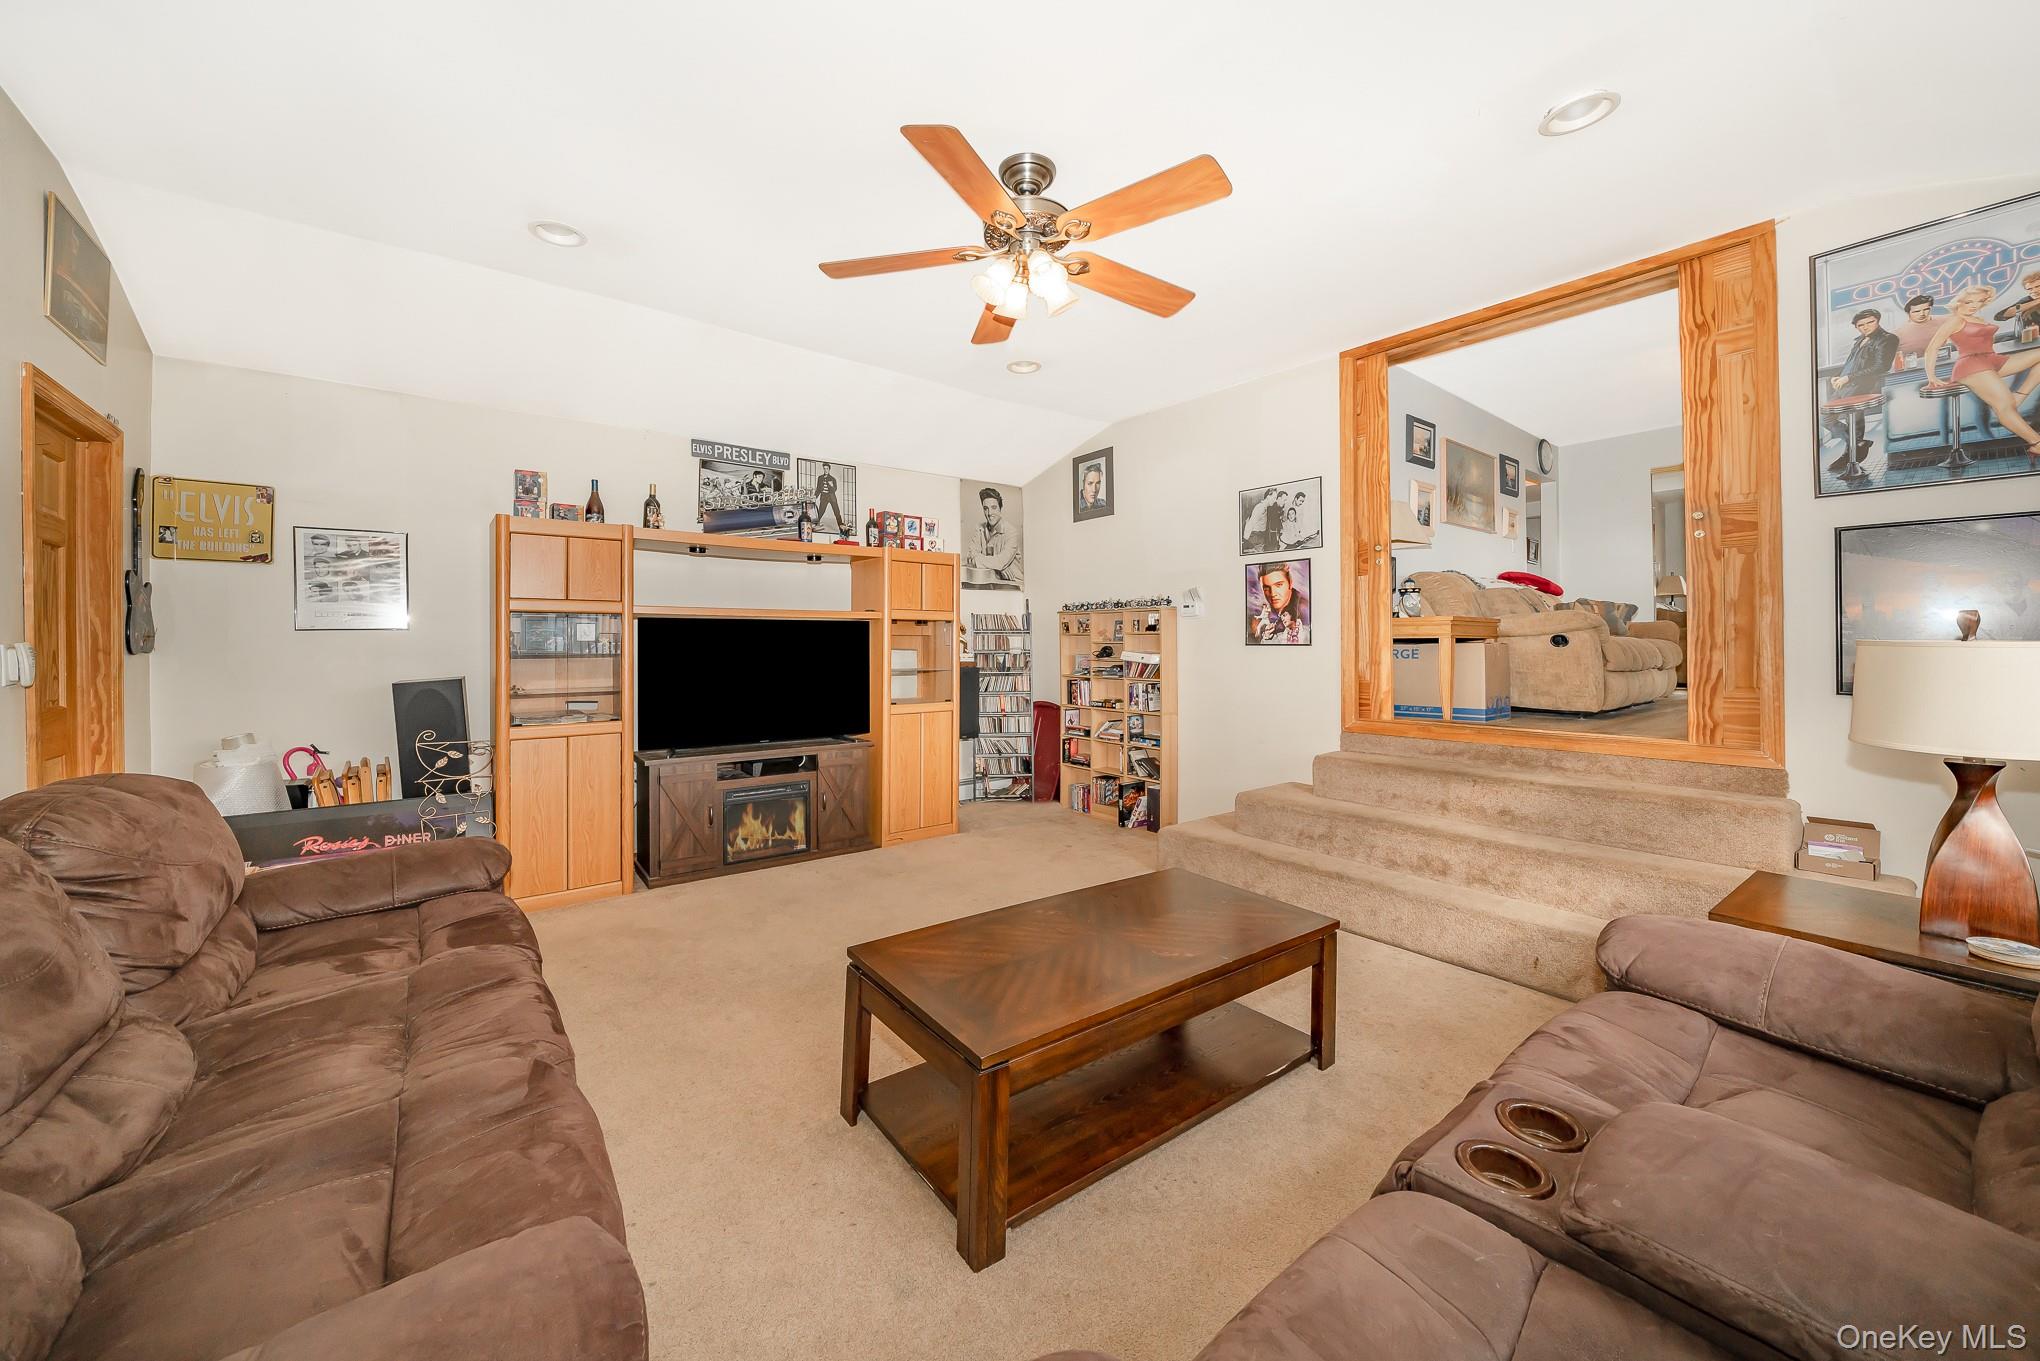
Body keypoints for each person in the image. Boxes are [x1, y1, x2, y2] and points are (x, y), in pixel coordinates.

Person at [1924, 284, 2040, 460]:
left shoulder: (1976, 318)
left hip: (1992, 359)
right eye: (1969, 301)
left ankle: (2018, 397)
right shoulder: (1955, 320)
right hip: (1971, 365)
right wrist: (1931, 376)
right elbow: (1932, 348)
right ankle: (2036, 444)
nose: (1974, 305)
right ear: (1959, 301)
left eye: (1979, 302)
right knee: (2004, 406)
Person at [1821, 308, 1900, 471]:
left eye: (1870, 322)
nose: (1866, 327)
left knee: (1853, 422)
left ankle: (1852, 455)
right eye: (1861, 325)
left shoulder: (1888, 339)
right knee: (1826, 418)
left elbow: (1881, 366)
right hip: (1844, 385)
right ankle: (1857, 444)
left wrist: (1849, 377)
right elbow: (1849, 363)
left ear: (1878, 320)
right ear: (1856, 327)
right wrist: (1837, 376)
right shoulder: (1859, 340)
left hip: (1862, 385)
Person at [967, 486, 1021, 586]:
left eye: (994, 507)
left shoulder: (1012, 532)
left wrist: (999, 564)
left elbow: (1001, 561)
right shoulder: (979, 529)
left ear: (1000, 508)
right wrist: (1000, 567)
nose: (989, 513)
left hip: (1013, 584)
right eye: (986, 509)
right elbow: (970, 557)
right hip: (990, 582)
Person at [1249, 563, 1308, 644]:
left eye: (1278, 585)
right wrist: (1266, 637)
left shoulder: (1304, 611)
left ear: (1290, 583)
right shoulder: (1260, 612)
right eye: (1266, 588)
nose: (1273, 593)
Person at [1894, 294, 1944, 365]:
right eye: (1917, 311)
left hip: (1944, 363)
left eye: (1926, 309)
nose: (1922, 314)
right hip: (1915, 370)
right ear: (1908, 313)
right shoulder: (1898, 333)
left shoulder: (1944, 320)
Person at [1993, 271, 2040, 343]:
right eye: (2030, 289)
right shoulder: (2027, 300)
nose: (2034, 291)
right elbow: (2000, 316)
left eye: (2037, 286)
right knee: (1995, 339)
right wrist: (2037, 301)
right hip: (2027, 337)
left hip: (2035, 338)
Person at [811, 462, 846, 535]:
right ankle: (815, 525)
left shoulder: (833, 479)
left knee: (837, 512)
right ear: (823, 469)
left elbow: (834, 490)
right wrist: (815, 496)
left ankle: (841, 528)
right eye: (824, 469)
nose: (826, 470)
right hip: (824, 497)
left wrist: (832, 486)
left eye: (827, 468)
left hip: (832, 497)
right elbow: (818, 489)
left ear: (829, 469)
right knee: (820, 512)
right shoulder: (820, 478)